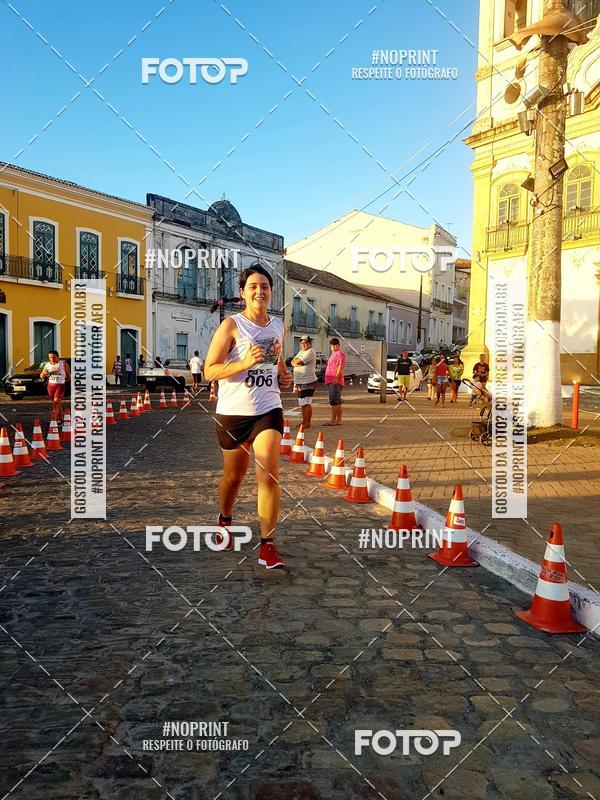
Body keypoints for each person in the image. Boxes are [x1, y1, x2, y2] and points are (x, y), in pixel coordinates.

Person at [204, 264, 293, 569]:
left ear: (271, 291)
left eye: (264, 286)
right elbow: (210, 370)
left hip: (268, 409)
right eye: (253, 287)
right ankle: (225, 519)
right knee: (234, 477)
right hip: (233, 413)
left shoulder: (278, 326)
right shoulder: (232, 326)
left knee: (269, 471)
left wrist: (284, 376)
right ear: (242, 293)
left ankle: (267, 545)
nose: (259, 291)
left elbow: (277, 363)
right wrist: (243, 363)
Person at [291, 335, 317, 430]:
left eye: (305, 343)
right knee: (302, 403)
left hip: (308, 380)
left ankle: (307, 423)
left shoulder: (310, 352)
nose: (303, 345)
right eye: (302, 343)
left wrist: (296, 362)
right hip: (301, 381)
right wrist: (295, 362)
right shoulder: (301, 352)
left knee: (306, 402)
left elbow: (299, 362)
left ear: (309, 343)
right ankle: (304, 421)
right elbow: (292, 362)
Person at [40, 350, 71, 422]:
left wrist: (70, 384)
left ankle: (53, 420)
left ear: (58, 357)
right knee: (56, 403)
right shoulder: (47, 365)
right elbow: (42, 375)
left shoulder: (63, 364)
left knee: (56, 402)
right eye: (50, 357)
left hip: (60, 385)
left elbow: (68, 376)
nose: (52, 359)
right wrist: (44, 374)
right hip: (50, 386)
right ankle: (61, 419)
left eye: (54, 357)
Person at [324, 338, 346, 426]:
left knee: (333, 401)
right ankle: (338, 420)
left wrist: (336, 377)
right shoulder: (333, 355)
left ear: (338, 345)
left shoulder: (340, 354)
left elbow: (341, 366)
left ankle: (333, 420)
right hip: (331, 380)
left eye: (335, 345)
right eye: (332, 345)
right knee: (337, 401)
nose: (333, 346)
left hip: (335, 381)